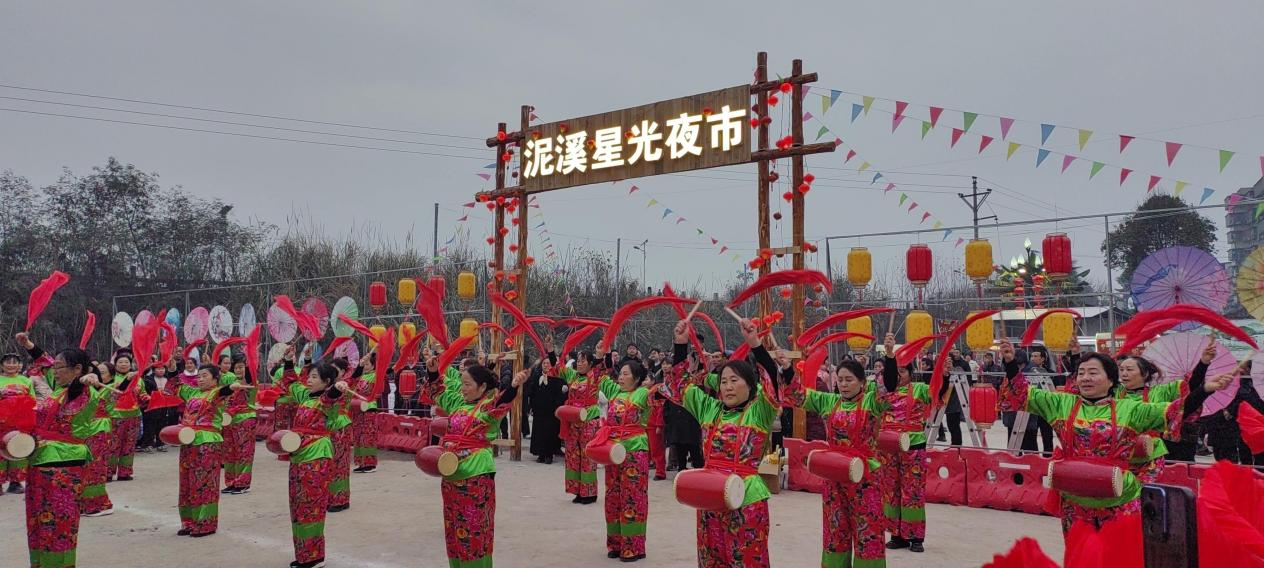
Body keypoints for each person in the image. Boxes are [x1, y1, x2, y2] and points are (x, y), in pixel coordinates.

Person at [999, 341, 1229, 533]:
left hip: (1119, 498)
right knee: (1082, 557)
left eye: (1093, 373)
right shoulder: (1061, 403)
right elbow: (1023, 395)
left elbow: (1175, 412)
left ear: (1111, 381)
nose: (1085, 378)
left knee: (1120, 556)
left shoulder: (1129, 409)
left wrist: (1204, 390)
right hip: (1075, 499)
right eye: (1081, 373)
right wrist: (1010, 364)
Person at [663, 317, 781, 568]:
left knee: (747, 559)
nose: (728, 386)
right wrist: (680, 346)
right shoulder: (709, 409)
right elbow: (680, 386)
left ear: (751, 387)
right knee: (711, 558)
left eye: (735, 380)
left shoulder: (759, 411)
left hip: (746, 498)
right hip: (709, 495)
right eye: (724, 381)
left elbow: (771, 380)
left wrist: (755, 344)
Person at [782, 341, 898, 568]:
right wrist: (787, 369)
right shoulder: (829, 402)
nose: (843, 385)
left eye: (849, 380)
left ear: (862, 383)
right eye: (840, 380)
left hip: (864, 479)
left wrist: (891, 356)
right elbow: (798, 396)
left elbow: (890, 388)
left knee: (868, 535)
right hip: (834, 478)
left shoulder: (871, 402)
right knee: (836, 533)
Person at [420, 352, 528, 568]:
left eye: (468, 384)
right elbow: (437, 392)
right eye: (462, 383)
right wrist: (432, 372)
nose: (463, 388)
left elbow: (502, 402)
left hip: (475, 477)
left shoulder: (487, 407)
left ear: (482, 387)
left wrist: (514, 386)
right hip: (451, 476)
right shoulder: (458, 402)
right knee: (454, 528)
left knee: (474, 530)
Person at [20, 336, 119, 568]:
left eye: (59, 368)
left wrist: (88, 377)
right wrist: (28, 345)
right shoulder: (57, 391)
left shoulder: (83, 391)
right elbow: (44, 362)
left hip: (63, 466)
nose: (54, 371)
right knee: (38, 522)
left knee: (59, 525)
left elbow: (80, 386)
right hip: (39, 462)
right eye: (54, 368)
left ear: (77, 369)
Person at [276, 353, 346, 568]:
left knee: (311, 505)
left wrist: (337, 387)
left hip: (317, 456)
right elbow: (289, 382)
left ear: (326, 382)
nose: (309, 379)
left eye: (314, 377)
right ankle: (303, 554)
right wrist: (289, 360)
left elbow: (330, 398)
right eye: (309, 376)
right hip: (298, 456)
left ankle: (314, 556)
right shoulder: (304, 396)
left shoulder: (328, 401)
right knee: (297, 505)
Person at [162, 363, 249, 537]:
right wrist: (171, 369)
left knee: (204, 482)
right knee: (186, 482)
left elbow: (225, 391)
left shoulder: (216, 393)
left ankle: (205, 523)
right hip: (188, 441)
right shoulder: (192, 393)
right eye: (199, 376)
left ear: (215, 379)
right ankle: (188, 521)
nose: (200, 379)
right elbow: (174, 386)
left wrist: (230, 387)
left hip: (207, 443)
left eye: (205, 376)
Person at [592, 353, 652, 562]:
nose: (621, 376)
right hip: (613, 451)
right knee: (613, 496)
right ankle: (615, 543)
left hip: (635, 451)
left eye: (626, 374)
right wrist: (602, 354)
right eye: (621, 372)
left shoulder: (642, 393)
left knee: (633, 497)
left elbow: (659, 394)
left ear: (635, 379)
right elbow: (597, 375)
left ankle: (634, 546)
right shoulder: (613, 391)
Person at [879, 346, 936, 553]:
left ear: (911, 373)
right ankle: (897, 534)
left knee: (913, 491)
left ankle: (916, 536)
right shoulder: (884, 392)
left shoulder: (920, 388)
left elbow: (937, 391)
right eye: (895, 371)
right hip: (889, 445)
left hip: (914, 445)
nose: (898, 375)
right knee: (891, 490)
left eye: (903, 371)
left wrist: (944, 375)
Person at [1117, 347, 1211, 471]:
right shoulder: (1114, 392)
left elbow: (1190, 388)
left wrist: (1203, 363)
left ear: (1144, 374)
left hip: (1153, 455)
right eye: (1121, 369)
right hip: (1120, 454)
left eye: (1129, 370)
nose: (1124, 374)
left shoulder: (1161, 392)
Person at [557, 350, 608, 504]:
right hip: (573, 420)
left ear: (591, 364)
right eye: (578, 360)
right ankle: (578, 491)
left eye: (583, 361)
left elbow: (602, 368)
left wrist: (600, 353)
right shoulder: (572, 376)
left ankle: (590, 493)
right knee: (573, 455)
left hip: (589, 419)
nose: (579, 363)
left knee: (587, 456)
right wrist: (551, 351)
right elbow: (557, 367)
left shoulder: (594, 377)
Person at [105, 352, 144, 482]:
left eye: (126, 362)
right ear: (115, 364)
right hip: (115, 416)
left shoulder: (138, 378)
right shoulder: (111, 379)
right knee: (113, 445)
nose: (123, 364)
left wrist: (150, 399)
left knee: (129, 444)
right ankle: (108, 472)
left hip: (134, 416)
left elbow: (142, 396)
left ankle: (125, 472)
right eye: (120, 362)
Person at [222, 357, 258, 494]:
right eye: (236, 367)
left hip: (245, 420)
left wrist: (250, 355)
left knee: (244, 452)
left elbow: (250, 373)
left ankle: (243, 483)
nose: (238, 369)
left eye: (241, 367)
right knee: (230, 454)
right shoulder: (232, 384)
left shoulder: (251, 383)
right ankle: (231, 482)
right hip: (230, 421)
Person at [1, 350, 35, 494]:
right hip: (2, 420)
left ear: (20, 365)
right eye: (8, 362)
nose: (11, 365)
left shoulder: (26, 381)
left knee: (17, 448)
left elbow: (32, 400)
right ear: (2, 365)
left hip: (20, 421)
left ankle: (16, 482)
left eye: (14, 362)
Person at [325, 356, 357, 512]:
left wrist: (361, 366)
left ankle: (340, 499)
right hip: (327, 427)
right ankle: (329, 497)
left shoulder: (346, 385)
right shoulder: (327, 385)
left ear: (343, 372)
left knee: (339, 464)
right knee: (328, 464)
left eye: (335, 369)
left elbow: (356, 376)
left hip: (341, 426)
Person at [526, 353, 565, 464]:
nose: (546, 365)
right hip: (539, 411)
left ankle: (549, 455)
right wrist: (532, 406)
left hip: (551, 411)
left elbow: (560, 395)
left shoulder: (556, 378)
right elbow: (531, 392)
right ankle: (540, 454)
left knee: (550, 433)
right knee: (539, 432)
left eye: (548, 363)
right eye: (544, 363)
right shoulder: (536, 376)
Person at [352, 354, 381, 474]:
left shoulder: (375, 376)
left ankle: (369, 463)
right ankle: (361, 462)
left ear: (374, 366)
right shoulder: (360, 377)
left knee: (367, 437)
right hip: (358, 409)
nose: (365, 366)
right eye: (364, 364)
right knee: (358, 437)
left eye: (368, 364)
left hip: (369, 410)